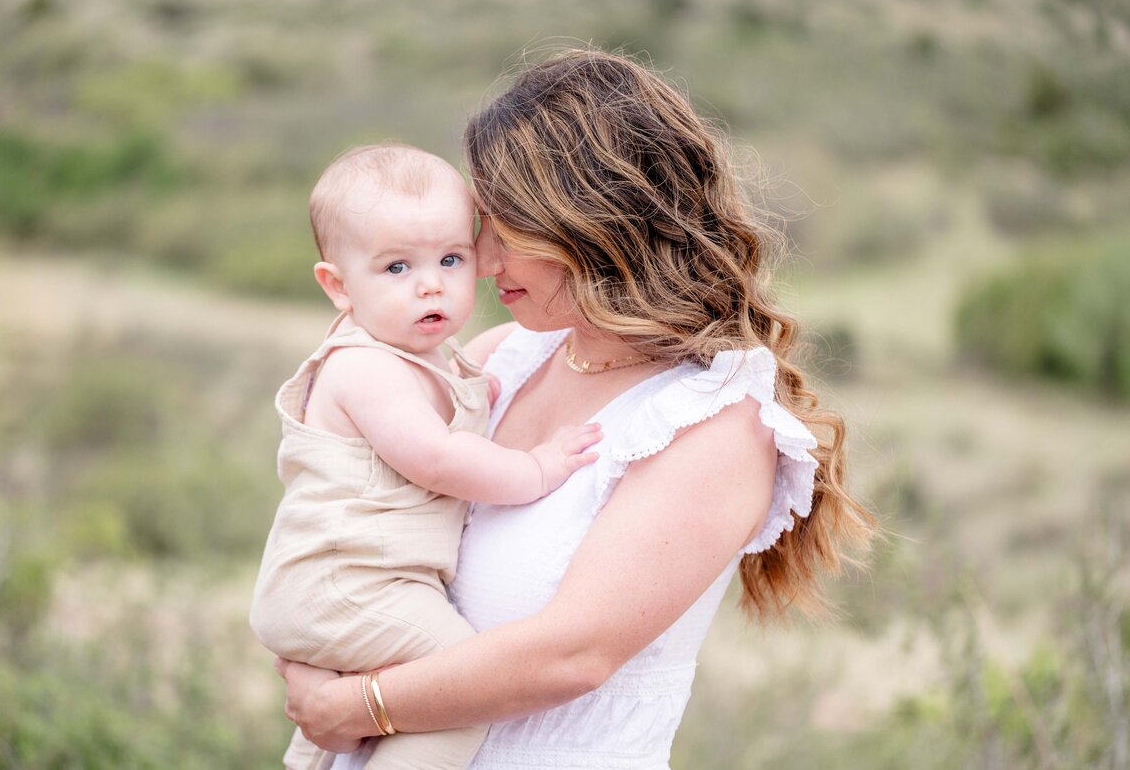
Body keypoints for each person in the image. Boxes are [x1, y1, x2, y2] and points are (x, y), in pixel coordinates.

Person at [274, 50, 877, 770]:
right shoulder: (504, 357)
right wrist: (305, 654)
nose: (483, 261)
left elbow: (573, 654)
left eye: (506, 230)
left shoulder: (715, 425)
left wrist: (355, 706)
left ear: (589, 227)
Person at [249, 143, 603, 770]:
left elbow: (452, 408)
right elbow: (438, 459)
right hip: (346, 586)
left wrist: (478, 395)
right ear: (338, 286)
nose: (430, 283)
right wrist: (538, 468)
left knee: (349, 723)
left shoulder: (437, 359)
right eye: (395, 269)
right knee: (459, 688)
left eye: (450, 258)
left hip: (363, 584)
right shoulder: (362, 367)